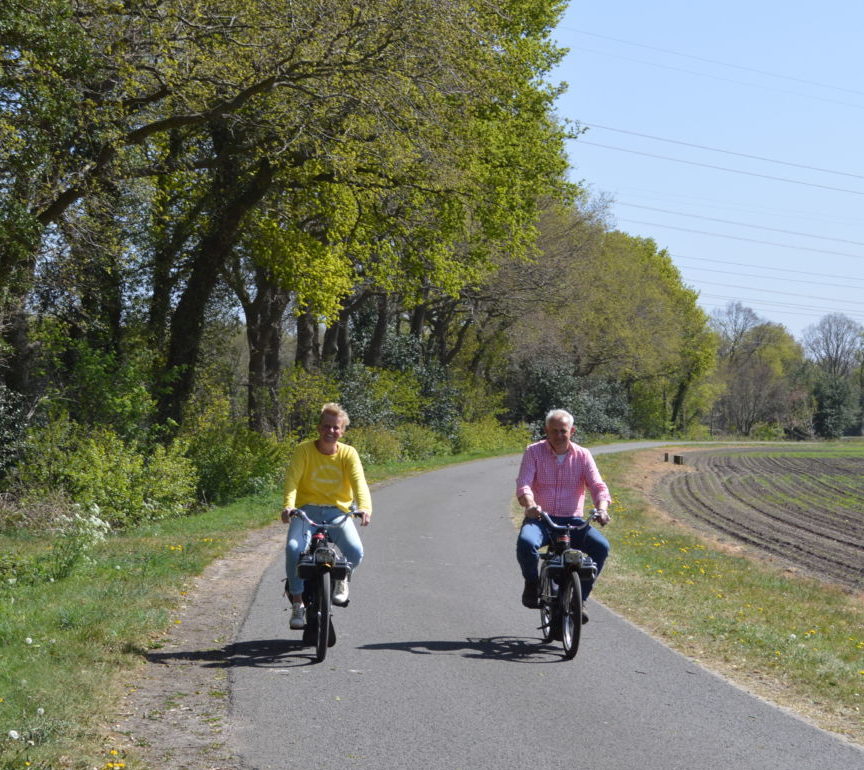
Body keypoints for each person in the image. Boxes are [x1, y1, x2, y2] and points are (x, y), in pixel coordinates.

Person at [280, 402, 372, 631]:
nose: (331, 431)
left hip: (338, 512)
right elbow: (292, 480)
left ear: (343, 431)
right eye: (327, 426)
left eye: (336, 428)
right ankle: (298, 603)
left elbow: (359, 482)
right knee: (293, 549)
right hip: (306, 509)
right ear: (319, 428)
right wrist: (288, 506)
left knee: (355, 551)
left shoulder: (348, 453)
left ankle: (342, 579)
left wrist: (365, 508)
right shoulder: (304, 450)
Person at [515, 408, 611, 618]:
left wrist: (602, 509)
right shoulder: (533, 452)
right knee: (526, 543)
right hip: (542, 519)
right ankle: (532, 584)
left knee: (601, 547)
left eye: (563, 431)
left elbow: (597, 486)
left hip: (573, 522)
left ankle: (580, 600)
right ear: (546, 431)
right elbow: (524, 484)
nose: (559, 436)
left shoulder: (583, 455)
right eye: (554, 431)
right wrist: (530, 505)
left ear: (572, 431)